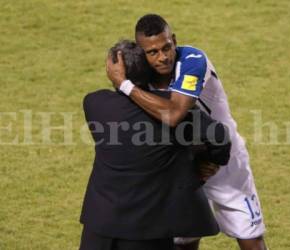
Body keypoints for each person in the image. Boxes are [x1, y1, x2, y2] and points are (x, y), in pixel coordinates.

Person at [106, 14, 267, 250]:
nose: (163, 57)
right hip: (181, 164)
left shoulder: (192, 60)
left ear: (174, 40)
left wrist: (125, 85)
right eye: (153, 52)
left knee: (250, 239)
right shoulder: (140, 75)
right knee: (182, 242)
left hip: (225, 161)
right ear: (141, 53)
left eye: (166, 47)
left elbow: (174, 114)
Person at [79, 40, 231, 250]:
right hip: (149, 231)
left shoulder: (94, 103)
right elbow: (220, 135)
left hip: (99, 226)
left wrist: (122, 84)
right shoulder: (176, 111)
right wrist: (207, 160)